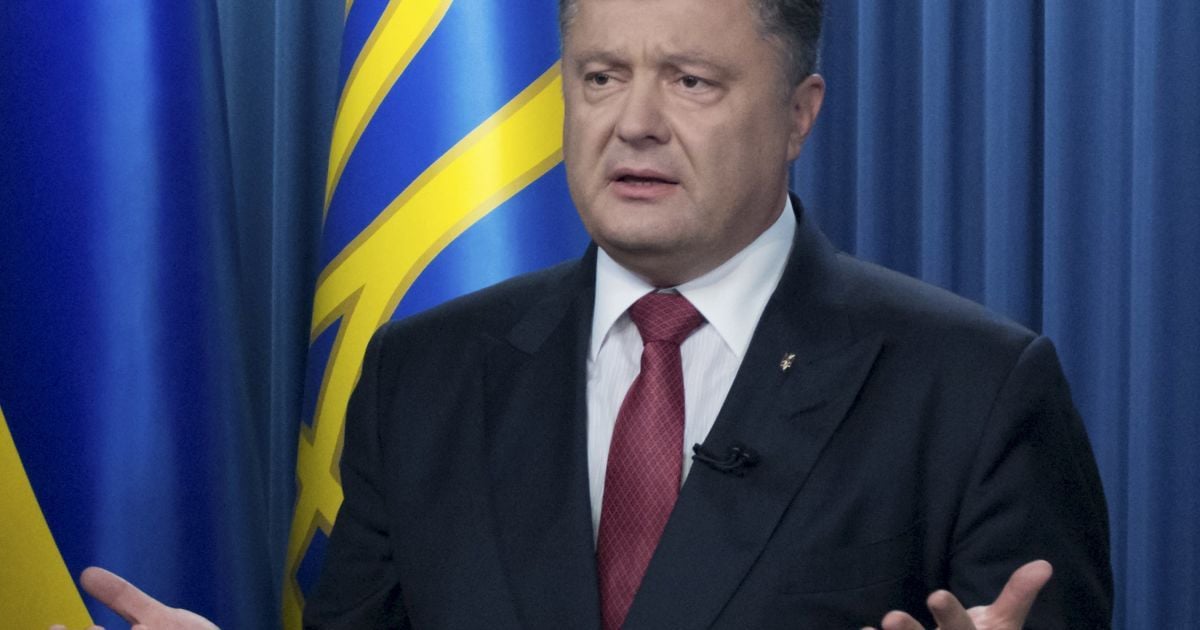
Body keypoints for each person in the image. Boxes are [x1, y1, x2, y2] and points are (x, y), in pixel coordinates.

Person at [64, 0, 1112, 627]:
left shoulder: (974, 389)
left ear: (801, 115)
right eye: (600, 76)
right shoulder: (422, 375)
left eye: (691, 82)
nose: (633, 123)